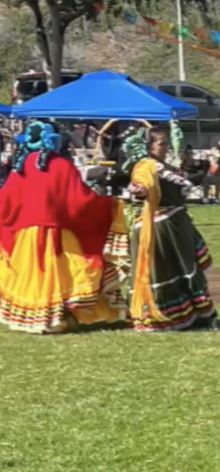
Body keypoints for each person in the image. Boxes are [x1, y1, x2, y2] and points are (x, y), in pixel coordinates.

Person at [0, 121, 128, 334]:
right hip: (58, 234)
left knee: (34, 277)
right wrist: (108, 205)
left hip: (27, 236)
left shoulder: (21, 167)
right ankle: (59, 316)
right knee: (66, 273)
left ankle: (37, 317)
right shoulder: (62, 165)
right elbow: (80, 202)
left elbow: (6, 201)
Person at [124, 127, 217, 331]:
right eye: (161, 144)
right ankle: (163, 317)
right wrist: (139, 190)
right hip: (159, 228)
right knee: (164, 272)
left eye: (167, 143)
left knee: (185, 269)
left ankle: (194, 314)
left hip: (174, 224)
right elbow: (141, 187)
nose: (166, 147)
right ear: (149, 146)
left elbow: (182, 183)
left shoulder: (162, 165)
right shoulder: (145, 166)